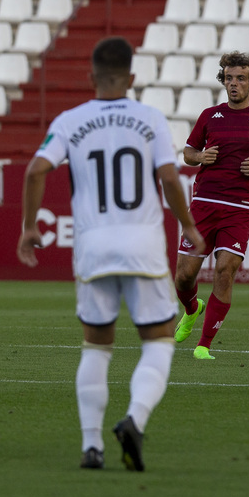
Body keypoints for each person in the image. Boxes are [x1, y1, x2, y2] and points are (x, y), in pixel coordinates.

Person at [17, 36, 206, 472]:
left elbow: (35, 171)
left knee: (96, 347)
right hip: (142, 244)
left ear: (91, 77)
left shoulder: (70, 120)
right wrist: (189, 226)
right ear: (132, 78)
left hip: (94, 246)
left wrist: (29, 227)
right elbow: (170, 178)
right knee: (158, 341)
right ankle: (134, 420)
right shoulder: (151, 119)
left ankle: (91, 447)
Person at [173, 51, 249, 360]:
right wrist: (200, 157)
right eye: (229, 78)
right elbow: (188, 152)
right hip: (203, 205)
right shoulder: (209, 116)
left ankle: (204, 345)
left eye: (240, 79)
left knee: (225, 270)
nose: (233, 84)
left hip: (239, 208)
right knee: (184, 276)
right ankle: (192, 309)